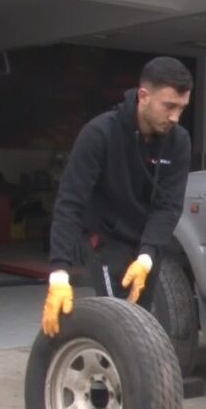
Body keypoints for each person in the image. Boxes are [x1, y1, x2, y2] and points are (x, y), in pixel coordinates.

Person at [41, 57, 193, 336]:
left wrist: (147, 256)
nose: (175, 117)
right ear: (143, 96)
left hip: (147, 239)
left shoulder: (178, 141)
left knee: (141, 322)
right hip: (107, 237)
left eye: (181, 108)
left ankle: (132, 375)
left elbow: (168, 206)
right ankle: (107, 374)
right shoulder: (100, 134)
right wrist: (59, 273)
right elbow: (69, 204)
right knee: (122, 324)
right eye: (169, 106)